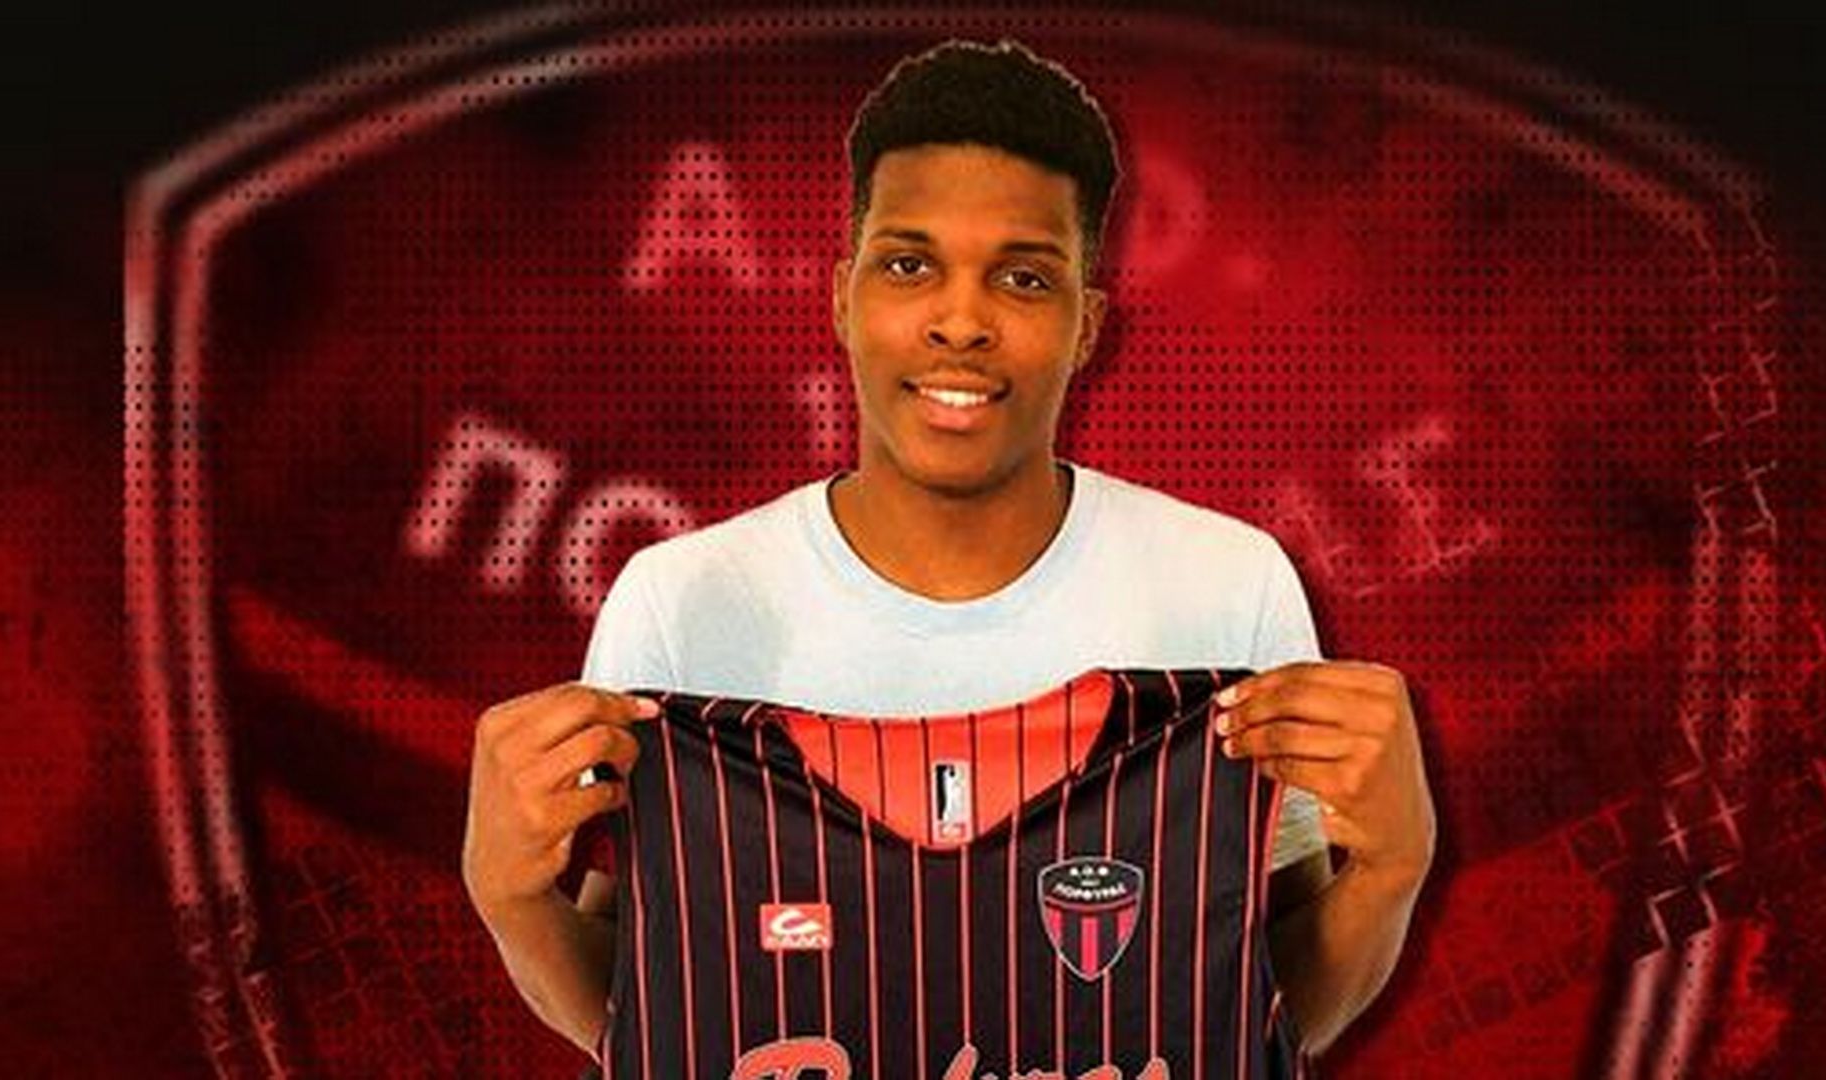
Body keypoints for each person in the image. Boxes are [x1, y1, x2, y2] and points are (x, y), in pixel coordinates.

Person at [462, 37, 1435, 1068]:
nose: (961, 321)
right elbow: (652, 1000)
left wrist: (1394, 867)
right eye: (909, 265)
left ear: (1087, 325)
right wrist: (510, 898)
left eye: (1022, 277)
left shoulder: (1226, 588)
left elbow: (1261, 1004)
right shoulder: (681, 602)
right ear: (842, 297)